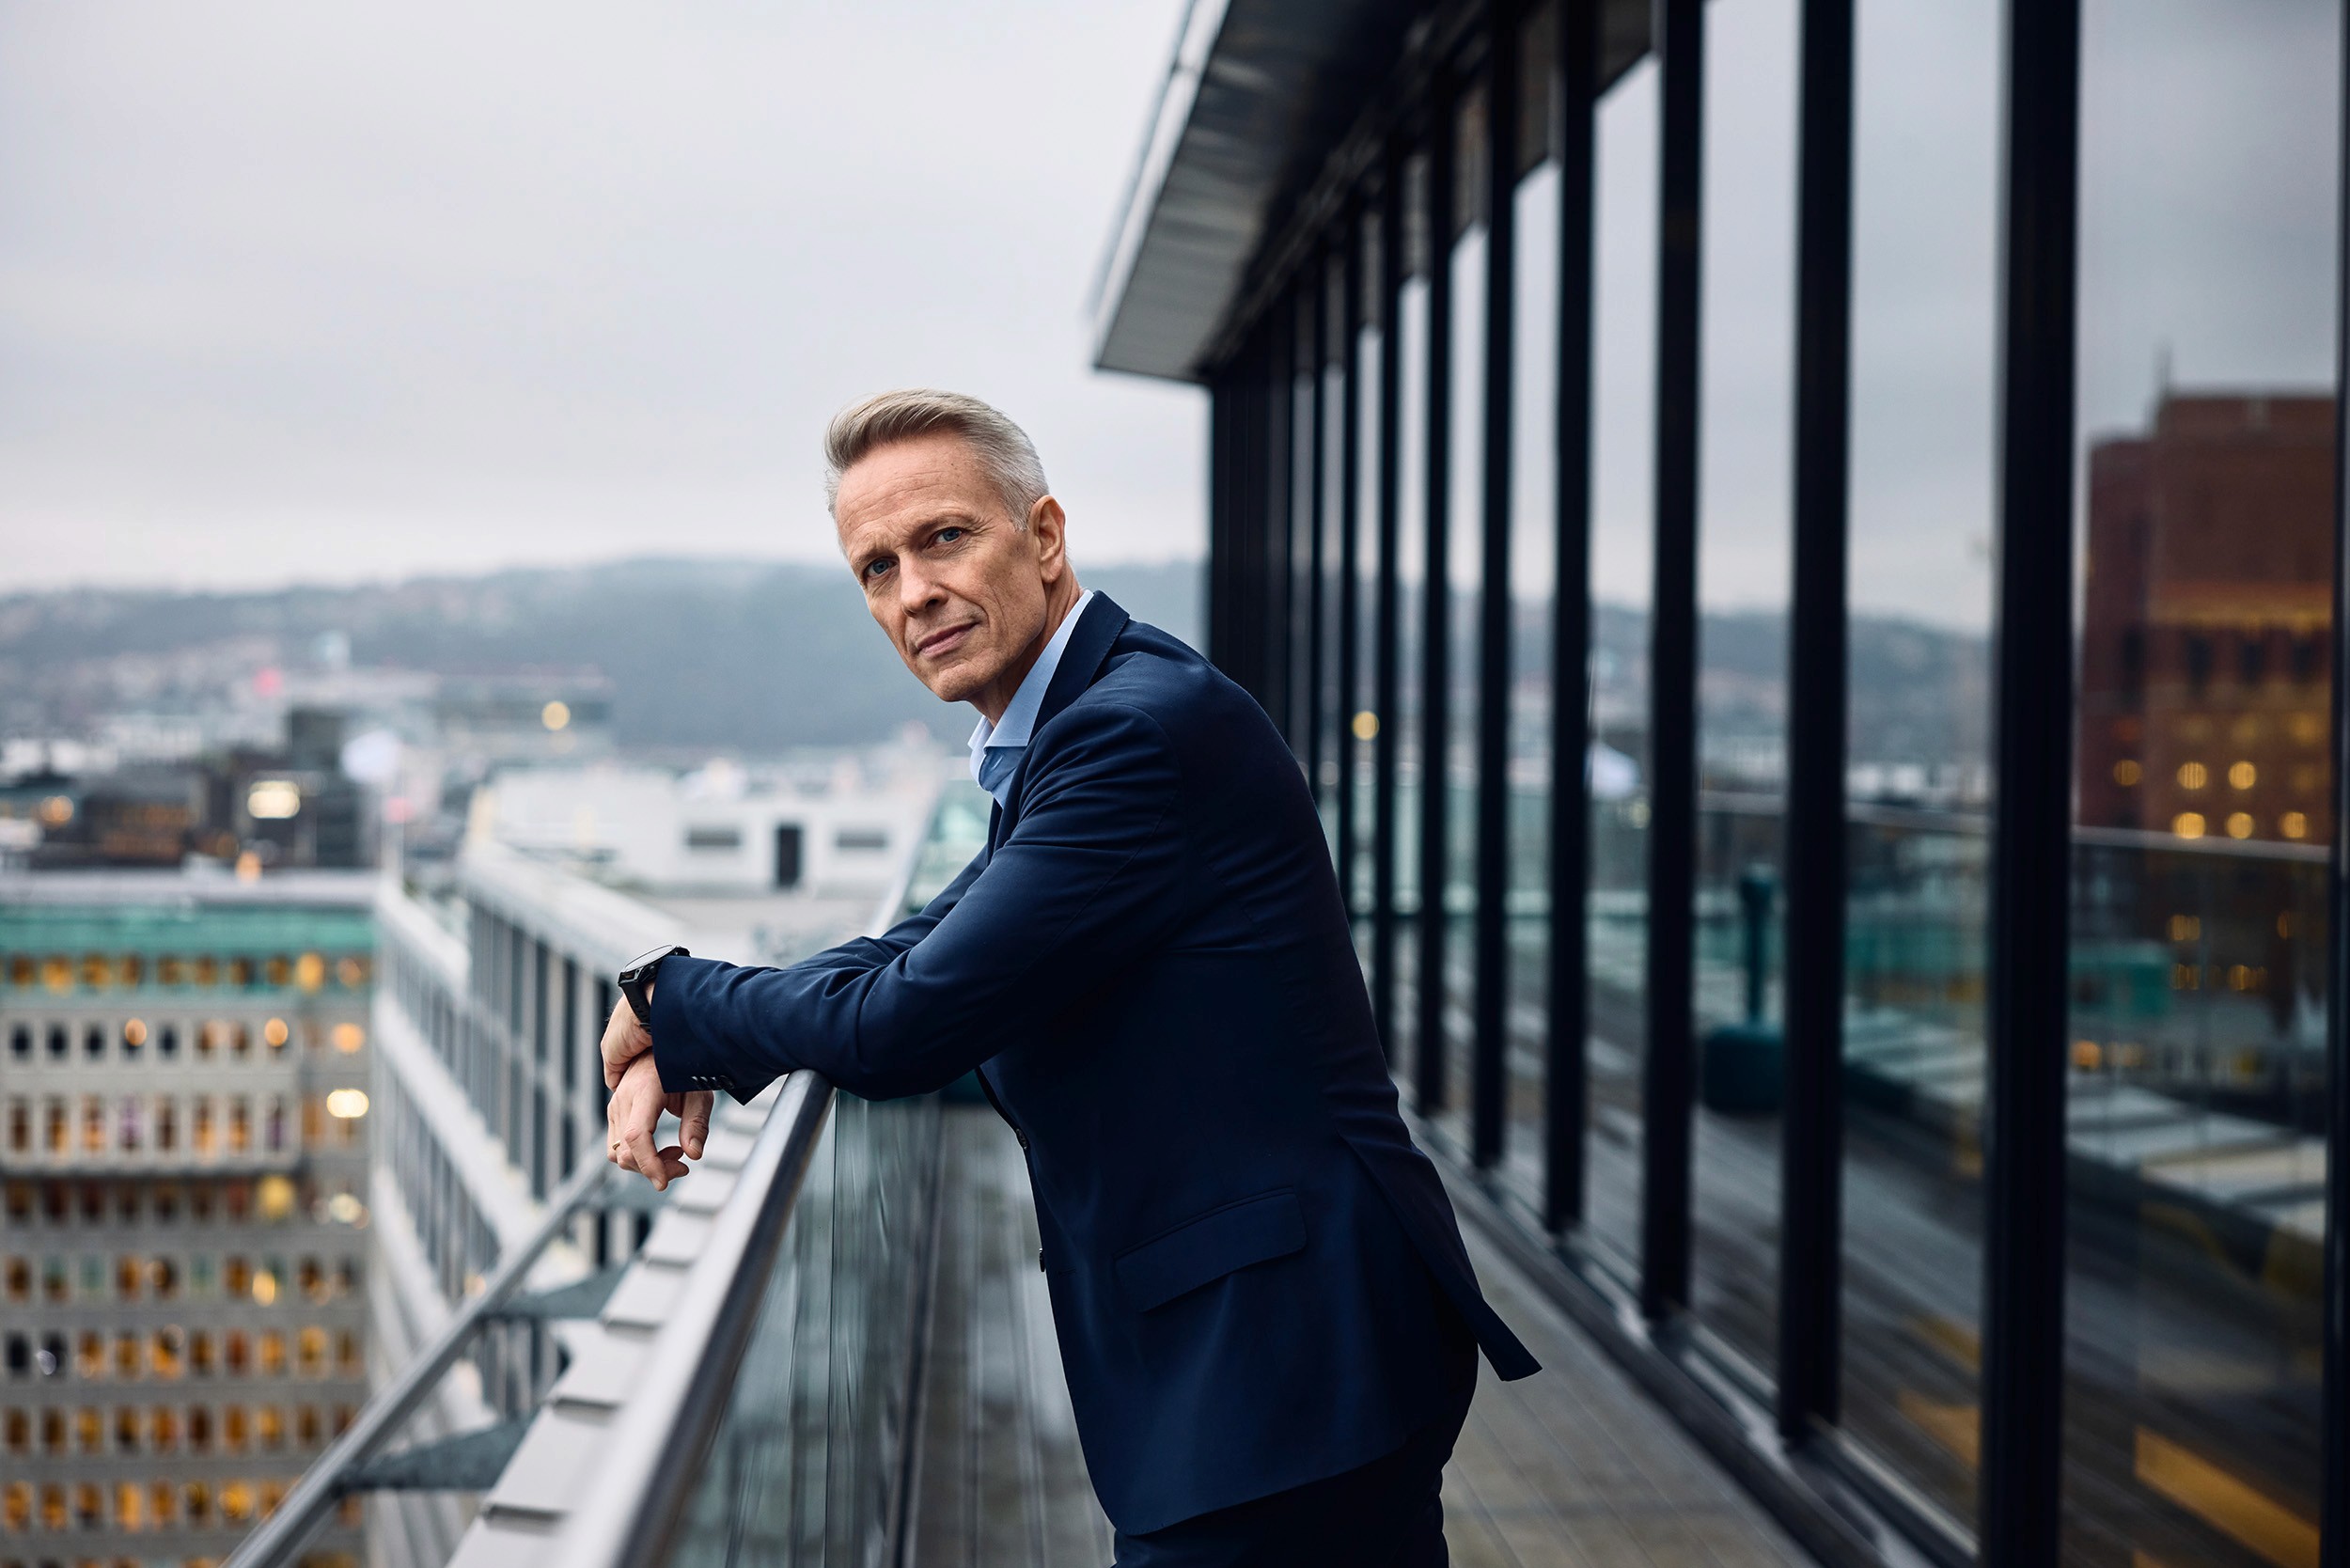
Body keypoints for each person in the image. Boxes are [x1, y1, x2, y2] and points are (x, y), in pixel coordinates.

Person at [598, 389, 1539, 1565]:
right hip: (1271, 1349)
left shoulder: (1126, 737)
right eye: (878, 568)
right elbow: (917, 946)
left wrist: (670, 1000)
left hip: (1282, 1365)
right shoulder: (1088, 717)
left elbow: (904, 1023)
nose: (914, 593)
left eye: (944, 538)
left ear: (1042, 536)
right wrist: (684, 1026)